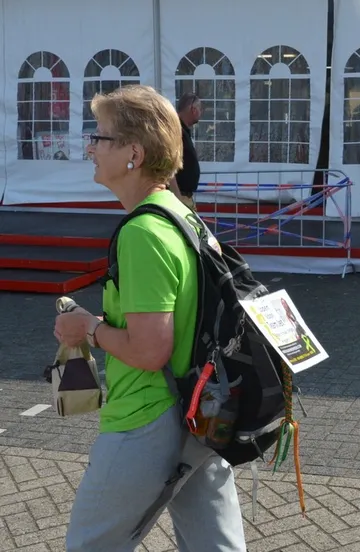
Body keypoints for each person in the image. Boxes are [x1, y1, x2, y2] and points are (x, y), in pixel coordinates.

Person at [54, 84, 246, 551]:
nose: (90, 148)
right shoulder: (182, 215)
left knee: (90, 544)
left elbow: (148, 349)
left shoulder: (142, 232)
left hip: (147, 415)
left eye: (100, 137)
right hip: (201, 412)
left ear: (133, 153)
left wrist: (89, 328)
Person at [169, 91, 202, 211]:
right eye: (199, 109)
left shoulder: (182, 131)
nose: (200, 113)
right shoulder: (176, 131)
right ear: (193, 110)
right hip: (179, 197)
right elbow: (169, 165)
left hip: (184, 197)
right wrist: (178, 197)